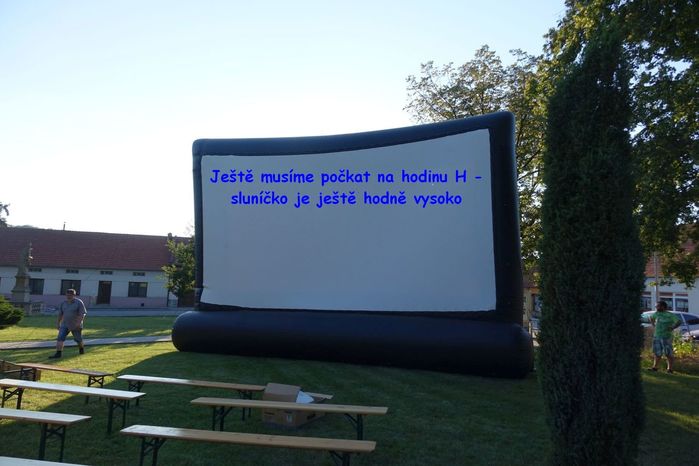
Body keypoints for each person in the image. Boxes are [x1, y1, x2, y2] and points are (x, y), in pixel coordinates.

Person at [49, 289, 87, 359]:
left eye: (70, 295)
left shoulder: (79, 302)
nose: (68, 297)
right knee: (60, 338)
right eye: (67, 295)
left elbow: (82, 314)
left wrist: (78, 324)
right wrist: (58, 323)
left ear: (74, 295)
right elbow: (60, 314)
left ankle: (81, 349)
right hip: (65, 324)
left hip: (75, 325)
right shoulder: (63, 303)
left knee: (78, 339)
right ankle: (58, 354)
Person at [648, 300, 681, 373]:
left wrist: (672, 327)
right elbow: (651, 317)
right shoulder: (656, 314)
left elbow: (679, 321)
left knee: (668, 353)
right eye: (656, 306)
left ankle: (670, 369)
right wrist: (653, 324)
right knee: (657, 353)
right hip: (657, 336)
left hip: (666, 337)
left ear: (663, 307)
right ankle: (655, 367)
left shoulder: (669, 315)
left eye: (658, 306)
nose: (656, 308)